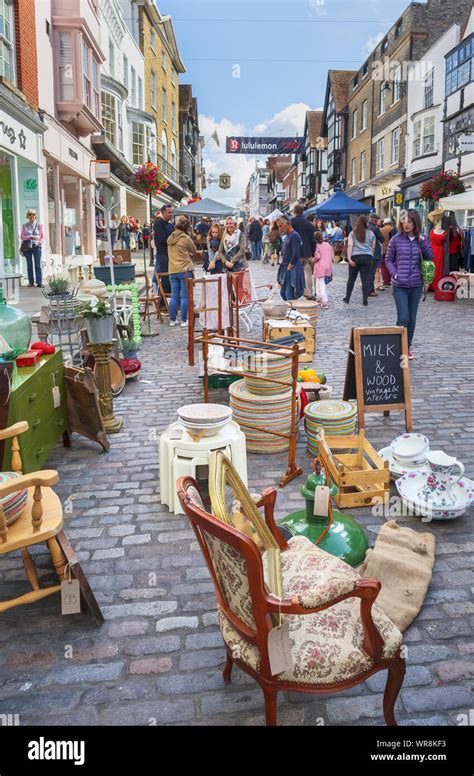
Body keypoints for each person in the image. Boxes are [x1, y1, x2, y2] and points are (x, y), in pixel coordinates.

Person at [385, 209, 433, 360]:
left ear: (415, 222)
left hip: (416, 285)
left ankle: (407, 347)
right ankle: (399, 346)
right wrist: (395, 273)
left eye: (409, 221)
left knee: (412, 318)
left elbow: (430, 257)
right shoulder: (396, 239)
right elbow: (388, 260)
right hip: (400, 285)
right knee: (403, 317)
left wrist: (423, 244)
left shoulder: (422, 239)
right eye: (403, 221)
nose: (406, 224)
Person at [167, 216, 197, 328]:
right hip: (184, 270)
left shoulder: (170, 238)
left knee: (174, 296)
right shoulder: (186, 238)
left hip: (172, 270)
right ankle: (184, 321)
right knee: (185, 296)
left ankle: (172, 320)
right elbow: (193, 250)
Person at [343, 215, 376, 306]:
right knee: (365, 279)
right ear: (366, 223)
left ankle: (347, 298)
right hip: (367, 257)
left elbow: (350, 245)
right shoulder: (371, 233)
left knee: (351, 279)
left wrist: (349, 259)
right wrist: (371, 256)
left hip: (355, 256)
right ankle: (365, 300)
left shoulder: (353, 233)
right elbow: (373, 247)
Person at [291, 204, 317, 299]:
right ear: (303, 212)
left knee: (293, 272)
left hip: (294, 252)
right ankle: (309, 293)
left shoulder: (291, 222)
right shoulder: (308, 225)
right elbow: (313, 240)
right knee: (308, 274)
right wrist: (312, 252)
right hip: (306, 252)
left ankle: (293, 292)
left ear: (294, 211)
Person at [277, 216, 304, 301]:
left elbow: (296, 253)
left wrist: (289, 267)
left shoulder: (295, 235)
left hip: (292, 268)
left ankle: (292, 312)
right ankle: (290, 310)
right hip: (286, 267)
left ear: (288, 224)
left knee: (289, 294)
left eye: (281, 226)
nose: (280, 228)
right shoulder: (287, 236)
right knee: (283, 293)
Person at [21, 209, 44, 287]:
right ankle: (31, 282)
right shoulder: (24, 226)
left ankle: (39, 282)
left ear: (35, 216)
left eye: (33, 214)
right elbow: (22, 237)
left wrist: (40, 242)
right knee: (29, 264)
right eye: (30, 214)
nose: (32, 216)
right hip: (28, 247)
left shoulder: (39, 225)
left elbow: (42, 237)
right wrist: (31, 236)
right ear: (27, 216)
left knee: (38, 265)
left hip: (36, 246)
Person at [154, 204, 174, 293]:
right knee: (165, 278)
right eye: (169, 212)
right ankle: (162, 302)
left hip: (170, 254)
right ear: (163, 213)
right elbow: (163, 240)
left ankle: (167, 300)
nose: (171, 214)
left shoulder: (170, 225)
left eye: (172, 212)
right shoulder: (158, 224)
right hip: (162, 255)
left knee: (169, 278)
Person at [313, 231, 333, 309]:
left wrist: (313, 259)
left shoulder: (317, 245)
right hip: (328, 265)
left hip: (320, 265)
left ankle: (324, 301)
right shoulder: (327, 244)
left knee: (321, 283)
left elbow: (317, 256)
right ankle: (319, 298)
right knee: (319, 282)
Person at [367, 213, 385, 296]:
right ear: (375, 220)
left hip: (365, 252)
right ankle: (370, 290)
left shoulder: (365, 227)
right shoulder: (375, 229)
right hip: (374, 253)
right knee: (371, 272)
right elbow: (382, 239)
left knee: (367, 272)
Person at [380, 217, 395, 288]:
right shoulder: (393, 229)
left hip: (383, 250)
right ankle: (393, 279)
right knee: (391, 264)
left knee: (383, 266)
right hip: (391, 249)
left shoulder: (380, 230)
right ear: (390, 223)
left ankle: (386, 281)